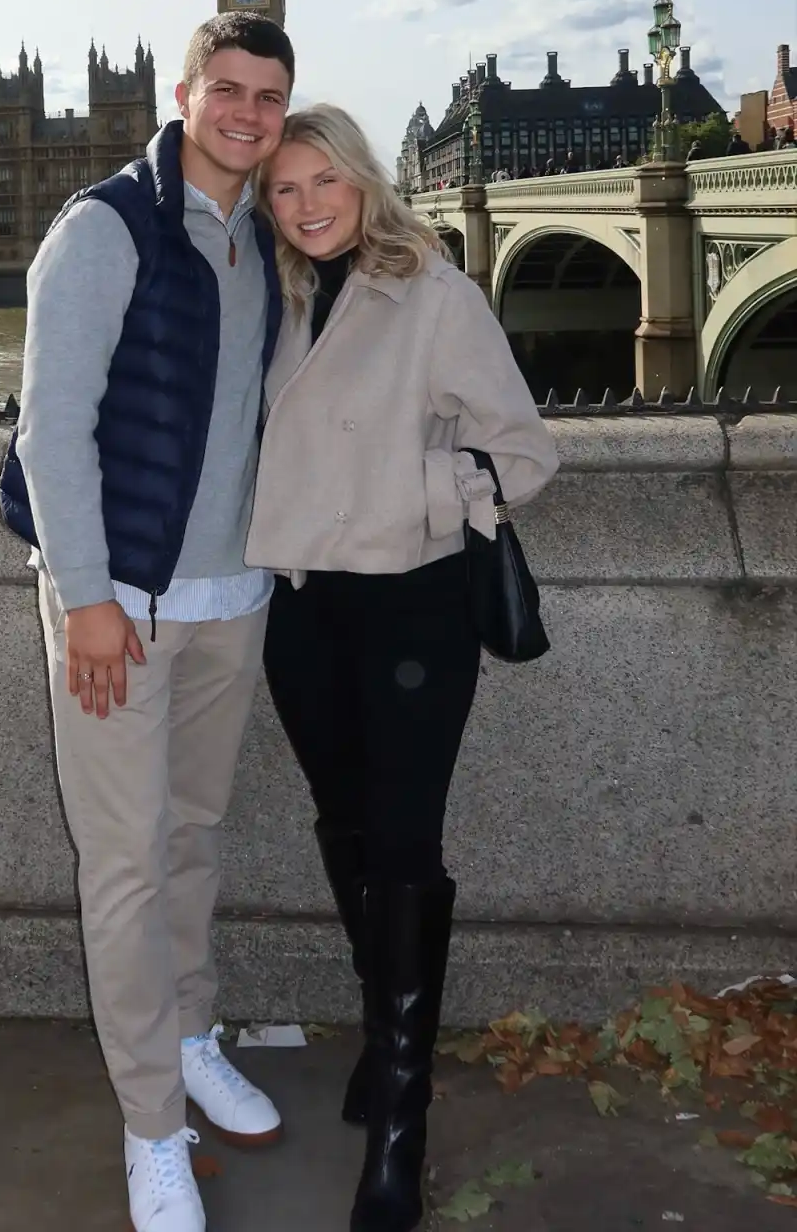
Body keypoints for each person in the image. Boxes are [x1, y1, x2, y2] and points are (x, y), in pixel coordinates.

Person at [1, 12, 295, 1232]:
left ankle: (187, 1034)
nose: (246, 112)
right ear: (183, 95)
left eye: (268, 96)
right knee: (125, 868)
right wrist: (86, 597)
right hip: (120, 603)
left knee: (193, 837)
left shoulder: (271, 230)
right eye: (227, 89)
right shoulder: (106, 226)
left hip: (233, 596)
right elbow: (49, 429)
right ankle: (150, 1127)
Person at [244, 105, 558, 1232]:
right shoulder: (268, 298)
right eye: (285, 189)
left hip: (413, 604)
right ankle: (385, 1040)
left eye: (325, 181)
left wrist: (416, 497)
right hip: (301, 605)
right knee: (344, 823)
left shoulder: (433, 292)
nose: (307, 205)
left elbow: (523, 451)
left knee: (406, 842)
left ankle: (401, 1124)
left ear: (364, 181)